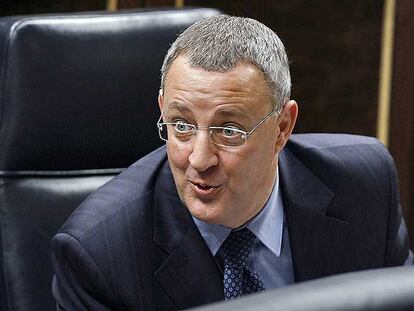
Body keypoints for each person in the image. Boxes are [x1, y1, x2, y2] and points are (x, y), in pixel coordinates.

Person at [52, 15, 412, 310]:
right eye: (181, 125)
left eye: (228, 130)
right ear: (162, 110)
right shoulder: (98, 253)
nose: (199, 159)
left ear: (282, 127)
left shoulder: (363, 184)